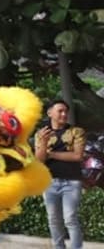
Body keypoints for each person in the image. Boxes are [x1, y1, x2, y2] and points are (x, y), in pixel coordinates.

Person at [37, 99, 86, 249]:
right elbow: (39, 160)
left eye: (66, 111)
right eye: (60, 111)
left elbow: (77, 156)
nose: (64, 114)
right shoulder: (42, 133)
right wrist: (43, 143)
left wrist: (51, 154)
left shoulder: (76, 132)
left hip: (72, 182)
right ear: (50, 113)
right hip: (49, 182)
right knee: (53, 220)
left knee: (70, 218)